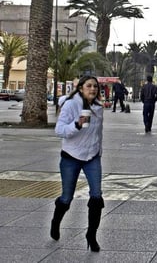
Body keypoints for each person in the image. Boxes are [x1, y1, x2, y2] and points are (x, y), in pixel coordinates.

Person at [51, 75, 104, 252]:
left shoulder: (97, 107)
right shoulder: (71, 104)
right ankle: (56, 221)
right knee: (67, 197)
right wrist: (77, 125)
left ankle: (91, 235)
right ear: (81, 88)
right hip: (71, 156)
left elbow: (98, 133)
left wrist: (99, 152)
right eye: (89, 86)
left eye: (95, 86)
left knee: (96, 196)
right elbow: (59, 130)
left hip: (92, 157)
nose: (93, 89)